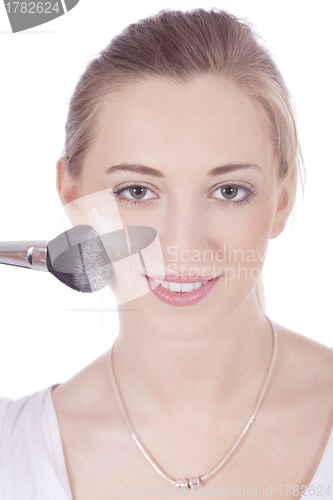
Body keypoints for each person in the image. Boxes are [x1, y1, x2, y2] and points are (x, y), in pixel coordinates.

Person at [1, 8, 332, 499]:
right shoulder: (12, 453)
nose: (182, 245)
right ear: (73, 197)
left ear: (281, 202)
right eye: (136, 191)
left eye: (229, 192)